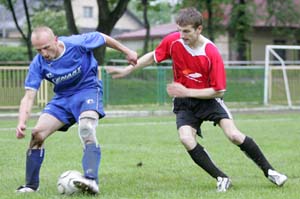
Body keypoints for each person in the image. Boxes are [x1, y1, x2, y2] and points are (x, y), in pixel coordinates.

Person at [105, 7, 287, 192]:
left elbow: (218, 90)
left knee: (234, 135)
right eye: (179, 30)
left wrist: (187, 91)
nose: (181, 35)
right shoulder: (173, 41)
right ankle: (221, 177)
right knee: (186, 138)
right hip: (185, 103)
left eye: (186, 31)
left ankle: (271, 171)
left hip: (209, 99)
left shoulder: (211, 52)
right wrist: (127, 70)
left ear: (199, 29)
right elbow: (153, 56)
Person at [15, 26, 137, 194]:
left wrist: (127, 51)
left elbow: (101, 37)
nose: (43, 53)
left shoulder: (76, 43)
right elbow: (29, 96)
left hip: (88, 90)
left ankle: (91, 180)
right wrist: (22, 122)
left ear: (56, 40)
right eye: (38, 50)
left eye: (46, 47)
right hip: (62, 99)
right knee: (37, 134)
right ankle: (30, 185)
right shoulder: (38, 63)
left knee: (86, 127)